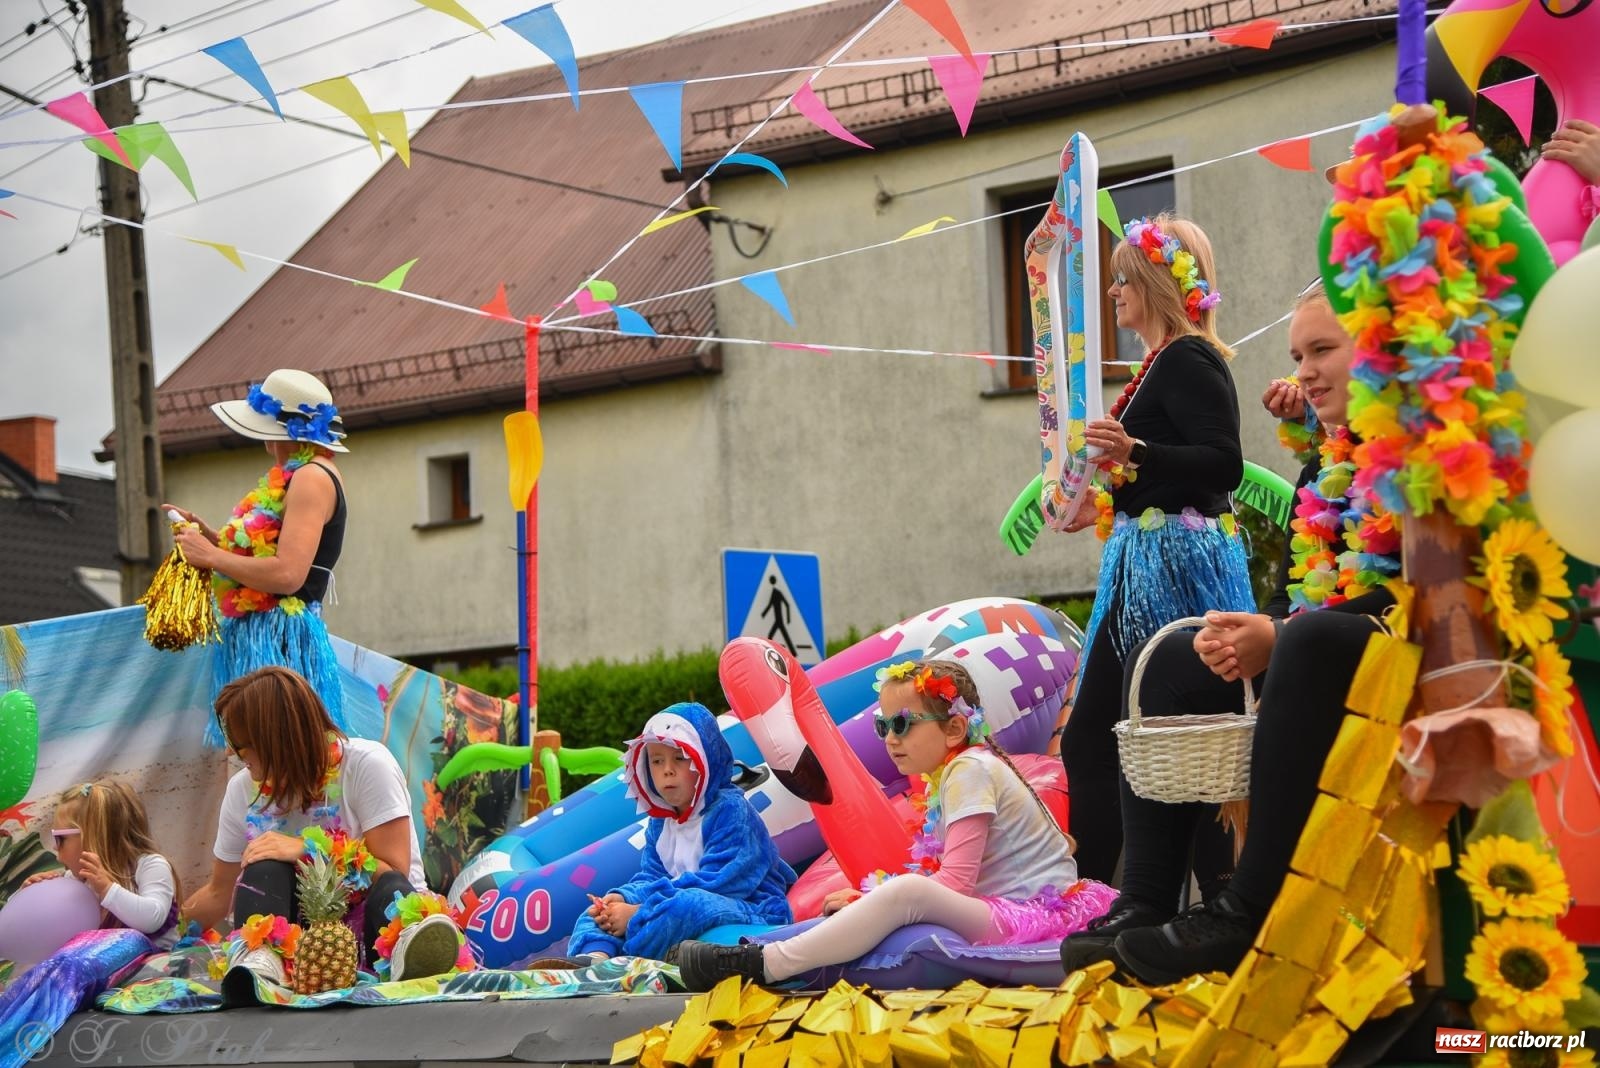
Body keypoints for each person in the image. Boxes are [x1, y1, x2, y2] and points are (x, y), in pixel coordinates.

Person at [1061, 281, 1404, 982]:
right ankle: (1147, 900)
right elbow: (1314, 576)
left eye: (1323, 350)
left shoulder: (1417, 452)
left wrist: (1280, 634)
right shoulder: (1332, 457)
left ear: (1379, 349)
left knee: (1301, 641)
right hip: (1324, 637)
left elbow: (1409, 593)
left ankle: (1244, 907)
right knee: (1169, 660)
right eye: (1296, 353)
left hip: (1401, 653)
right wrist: (1264, 629)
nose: (1303, 371)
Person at [674, 660, 1117, 991]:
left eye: (903, 724)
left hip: (1037, 916)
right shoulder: (950, 774)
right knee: (894, 894)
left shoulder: (970, 770)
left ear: (956, 726)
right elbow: (944, 874)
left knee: (906, 894)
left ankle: (769, 962)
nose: (889, 738)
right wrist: (868, 898)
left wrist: (884, 896)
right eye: (883, 724)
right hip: (1009, 906)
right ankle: (750, 951)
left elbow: (955, 883)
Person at [1061, 214, 1256, 883]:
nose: (1114, 292)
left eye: (1123, 279)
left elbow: (1223, 463)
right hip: (1146, 564)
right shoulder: (1159, 363)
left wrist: (1134, 451)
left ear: (1153, 281)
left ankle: (1120, 896)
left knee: (1145, 737)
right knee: (1119, 737)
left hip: (1174, 570)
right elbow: (1165, 472)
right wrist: (1104, 497)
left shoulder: (1186, 356)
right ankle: (1130, 897)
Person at [180, 666, 463, 985]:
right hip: (302, 955)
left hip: (377, 933)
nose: (231, 751)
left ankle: (412, 954)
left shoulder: (367, 764)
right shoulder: (241, 789)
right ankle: (261, 959)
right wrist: (163, 927)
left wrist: (306, 849)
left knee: (389, 887)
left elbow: (392, 870)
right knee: (264, 867)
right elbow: (219, 891)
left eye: (240, 743)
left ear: (274, 739)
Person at [163, 369, 351, 746]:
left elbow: (287, 575)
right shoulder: (298, 474)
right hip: (266, 638)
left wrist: (213, 557)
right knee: (261, 755)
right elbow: (269, 558)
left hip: (281, 640)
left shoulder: (311, 477)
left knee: (276, 753)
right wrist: (212, 539)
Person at [559, 703, 795, 964]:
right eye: (657, 761)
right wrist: (625, 898)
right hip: (672, 904)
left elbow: (723, 882)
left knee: (686, 906)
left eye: (680, 758)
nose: (666, 770)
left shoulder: (732, 811)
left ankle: (626, 962)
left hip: (752, 908)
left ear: (706, 761)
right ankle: (593, 959)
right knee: (599, 907)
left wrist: (638, 912)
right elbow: (652, 875)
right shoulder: (661, 822)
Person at [22, 780, 180, 950]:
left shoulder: (150, 866)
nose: (55, 846)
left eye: (60, 838)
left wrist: (107, 889)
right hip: (109, 971)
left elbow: (152, 919)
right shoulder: (76, 881)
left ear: (96, 836)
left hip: (157, 966)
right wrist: (31, 898)